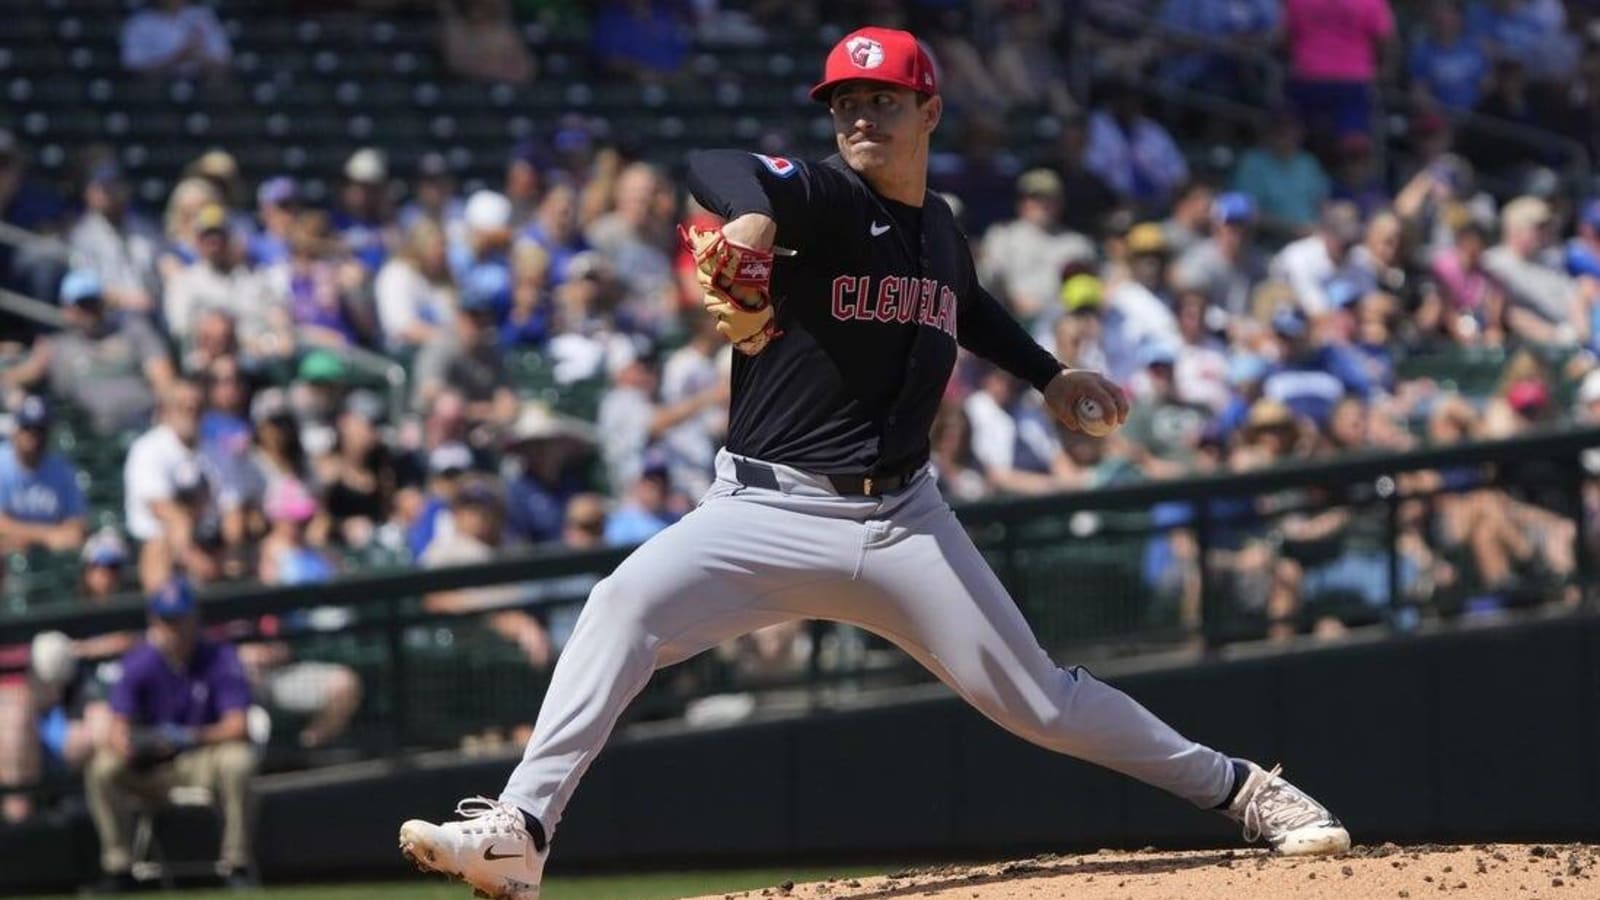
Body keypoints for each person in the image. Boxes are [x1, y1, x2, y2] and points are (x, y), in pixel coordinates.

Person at [398, 26, 1350, 900]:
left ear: (929, 111)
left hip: (904, 522)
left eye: (882, 99)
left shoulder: (938, 225)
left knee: (1042, 704)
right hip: (763, 511)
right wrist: (751, 217)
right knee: (622, 606)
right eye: (844, 101)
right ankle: (521, 831)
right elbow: (714, 164)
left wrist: (1047, 374)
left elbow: (964, 301)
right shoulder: (819, 195)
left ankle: (1245, 792)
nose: (859, 115)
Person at [84, 579, 257, 893]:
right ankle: (119, 868)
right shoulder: (139, 661)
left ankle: (237, 864)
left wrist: (191, 736)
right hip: (154, 768)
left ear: (195, 618)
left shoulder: (219, 656)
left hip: (202, 757)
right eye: (167, 620)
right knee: (102, 768)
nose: (175, 629)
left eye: (181, 619)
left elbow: (238, 725)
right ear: (154, 621)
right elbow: (117, 727)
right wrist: (136, 746)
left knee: (239, 760)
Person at [1, 269, 175, 435]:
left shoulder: (133, 331)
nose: (89, 311)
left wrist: (166, 409)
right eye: (81, 304)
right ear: (67, 309)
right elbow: (12, 378)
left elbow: (163, 378)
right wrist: (17, 399)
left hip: (146, 422)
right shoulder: (56, 349)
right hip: (95, 437)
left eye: (93, 302)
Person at [0, 395, 86, 554]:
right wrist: (48, 536)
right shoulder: (2, 463)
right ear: (16, 430)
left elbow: (75, 529)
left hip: (51, 561)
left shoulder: (62, 470)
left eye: (39, 429)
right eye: (27, 428)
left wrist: (23, 535)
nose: (33, 436)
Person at [120, 0, 232, 78]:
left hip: (201, 82)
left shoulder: (202, 16)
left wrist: (197, 56)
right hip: (159, 86)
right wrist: (176, 58)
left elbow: (223, 60)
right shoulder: (139, 23)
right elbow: (133, 67)